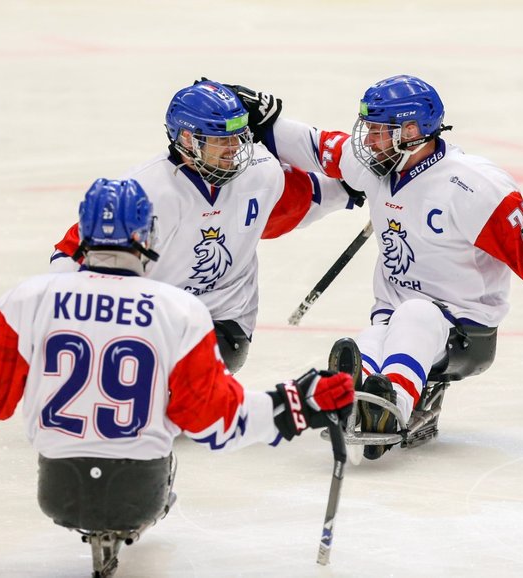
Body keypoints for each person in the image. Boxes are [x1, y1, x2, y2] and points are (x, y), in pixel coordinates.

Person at [0, 178, 354, 575]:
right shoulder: (178, 309)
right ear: (147, 235)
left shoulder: (32, 297)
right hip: (140, 490)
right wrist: (299, 403)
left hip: (58, 489)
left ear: (83, 233)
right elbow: (212, 419)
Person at [229, 75, 523, 459]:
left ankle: (391, 407)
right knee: (368, 341)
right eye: (368, 129)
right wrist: (267, 120)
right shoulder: (376, 165)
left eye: (380, 131)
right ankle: (355, 395)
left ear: (413, 131)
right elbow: (319, 148)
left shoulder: (469, 183)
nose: (368, 140)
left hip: (465, 330)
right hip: (393, 317)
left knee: (417, 316)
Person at [49, 80, 362, 373]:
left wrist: (356, 187)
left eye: (239, 136)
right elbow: (73, 251)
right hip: (152, 317)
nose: (235, 148)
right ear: (187, 139)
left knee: (175, 376)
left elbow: (297, 204)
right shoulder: (145, 191)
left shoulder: (260, 173)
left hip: (225, 322)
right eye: (221, 139)